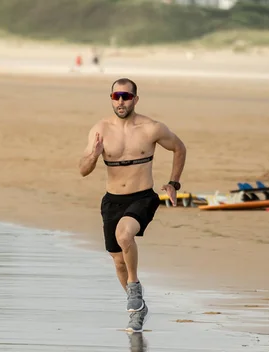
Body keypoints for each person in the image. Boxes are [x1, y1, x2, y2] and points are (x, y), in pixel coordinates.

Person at [78, 78, 187, 333]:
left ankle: (134, 286)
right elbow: (82, 170)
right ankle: (137, 310)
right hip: (112, 200)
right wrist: (94, 155)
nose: (121, 101)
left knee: (125, 235)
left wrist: (174, 183)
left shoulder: (151, 128)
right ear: (111, 98)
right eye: (116, 96)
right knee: (118, 262)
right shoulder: (100, 129)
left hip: (142, 197)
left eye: (126, 96)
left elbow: (179, 148)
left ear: (135, 99)